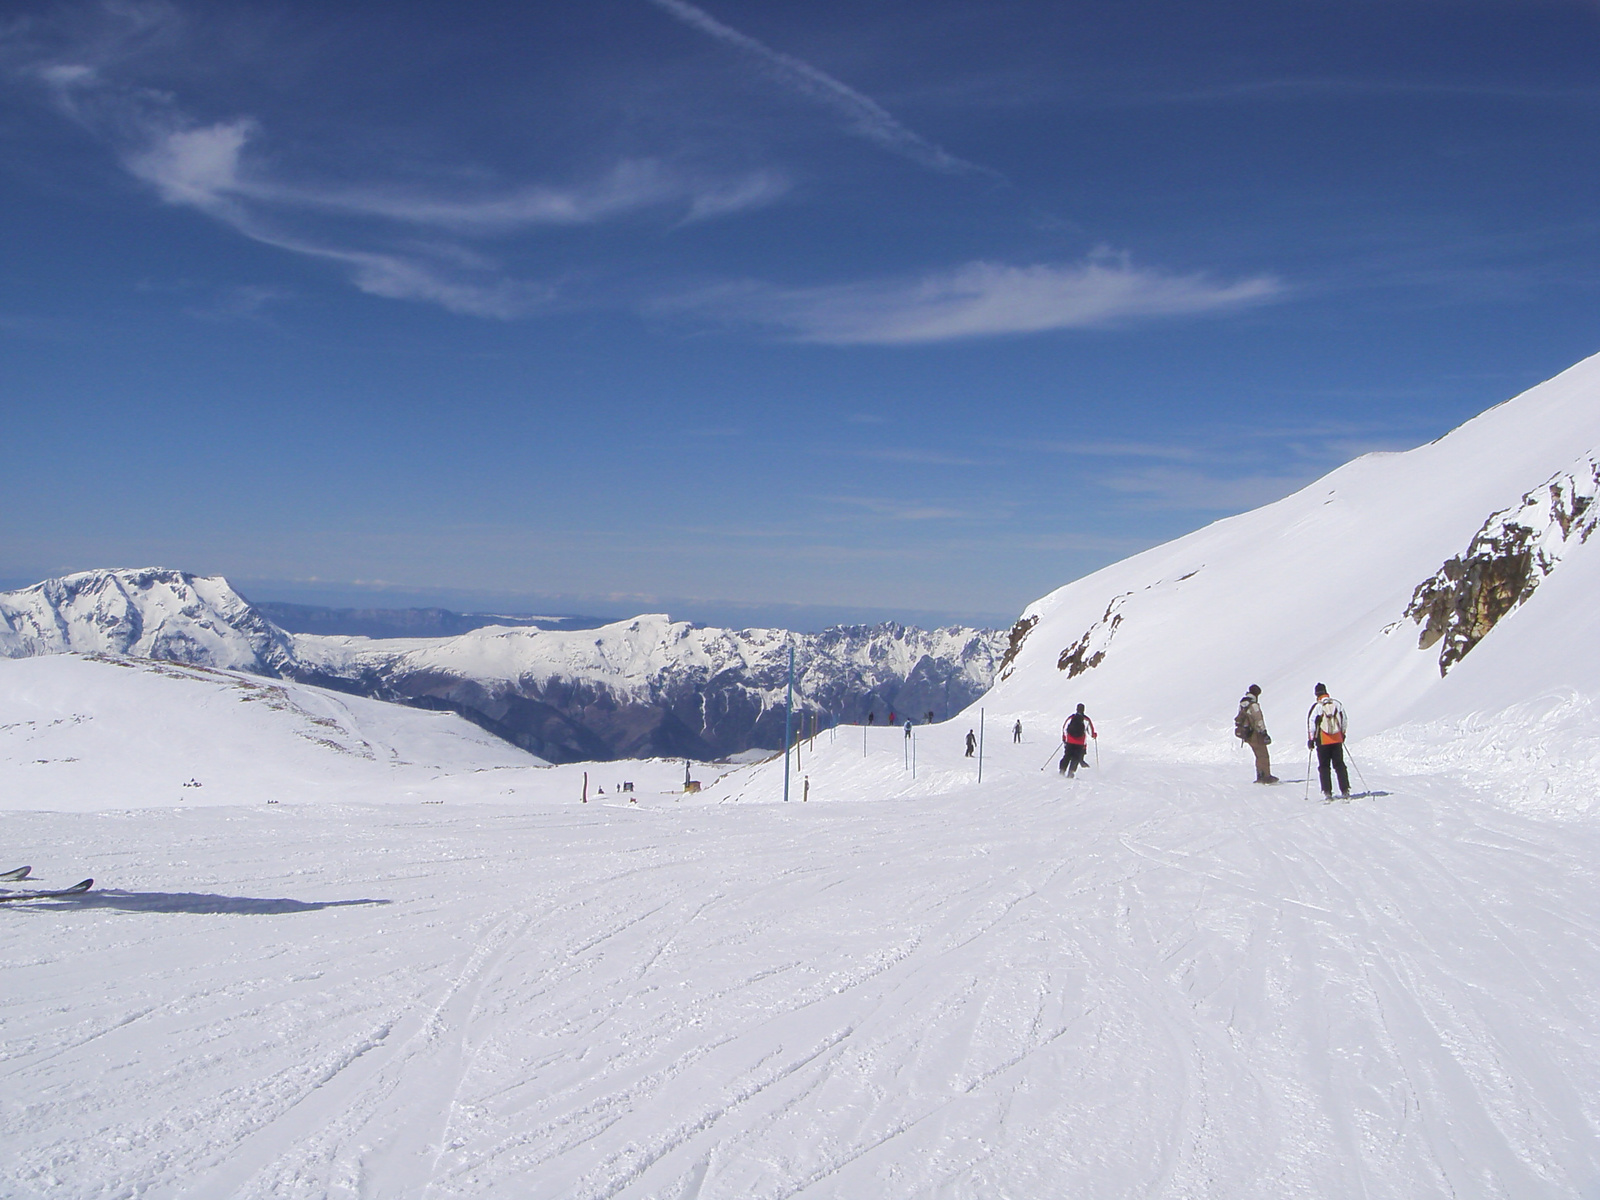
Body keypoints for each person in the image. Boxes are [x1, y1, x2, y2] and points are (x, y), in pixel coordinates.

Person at [1306, 683, 1350, 799]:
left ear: (1316, 694)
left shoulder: (1317, 707)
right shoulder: (1337, 704)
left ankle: (1327, 792)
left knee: (1324, 766)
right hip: (1337, 739)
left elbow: (1311, 724)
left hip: (1323, 740)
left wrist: (1311, 740)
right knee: (1339, 765)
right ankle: (1345, 790)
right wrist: (1342, 734)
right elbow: (1344, 719)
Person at [1234, 684, 1278, 783]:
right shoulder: (1254, 705)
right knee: (1263, 755)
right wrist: (1264, 732)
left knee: (1258, 755)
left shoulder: (1242, 704)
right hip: (1255, 734)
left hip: (1247, 734)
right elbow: (1258, 720)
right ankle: (1266, 776)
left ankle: (1260, 775)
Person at [1059, 704, 1096, 776]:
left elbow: (1064, 727)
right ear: (1083, 710)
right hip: (1080, 743)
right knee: (1076, 757)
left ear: (1076, 709)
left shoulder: (1071, 717)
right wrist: (1094, 735)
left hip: (1070, 741)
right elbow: (1091, 733)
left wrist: (1064, 737)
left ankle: (1062, 770)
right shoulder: (1086, 720)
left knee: (1067, 755)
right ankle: (1071, 772)